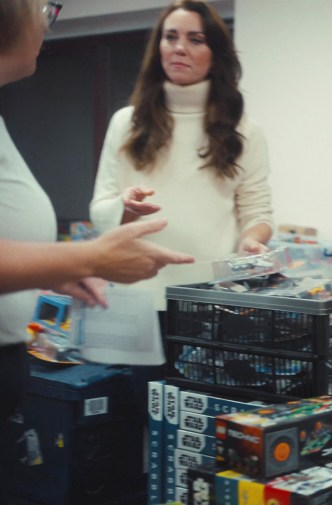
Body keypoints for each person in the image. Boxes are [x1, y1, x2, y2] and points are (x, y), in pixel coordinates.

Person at [0, 0, 195, 500]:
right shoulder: (127, 121)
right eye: (43, 6)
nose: (48, 15)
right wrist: (84, 257)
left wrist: (49, 273)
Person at [89, 0, 274, 309]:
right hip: (136, 298)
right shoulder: (126, 123)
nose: (179, 48)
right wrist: (123, 208)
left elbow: (258, 213)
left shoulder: (245, 131)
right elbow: (99, 210)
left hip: (211, 298)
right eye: (170, 36)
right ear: (158, 47)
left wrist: (251, 240)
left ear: (215, 56)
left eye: (195, 39)